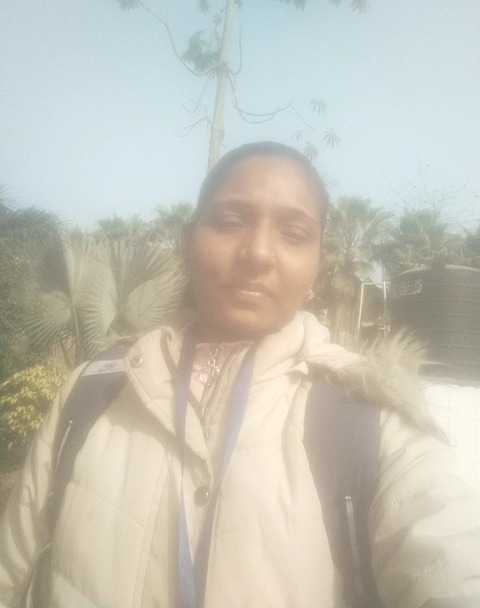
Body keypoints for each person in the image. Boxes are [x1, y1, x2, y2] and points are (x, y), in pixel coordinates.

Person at [0, 141, 479, 608]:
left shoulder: (369, 413)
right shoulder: (94, 390)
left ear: (317, 264)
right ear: (188, 243)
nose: (258, 253)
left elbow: (447, 560)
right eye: (230, 222)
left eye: (294, 233)